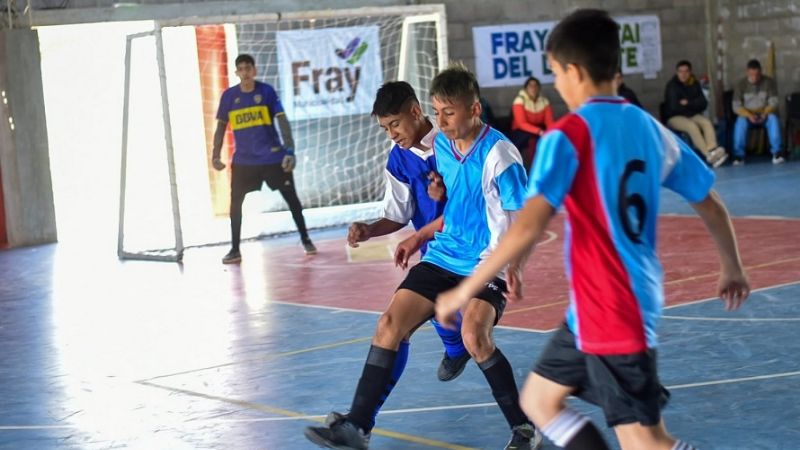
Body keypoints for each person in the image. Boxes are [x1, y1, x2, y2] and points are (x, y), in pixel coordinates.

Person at [436, 9, 750, 450]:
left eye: (555, 74)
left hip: (611, 309)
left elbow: (527, 225)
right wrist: (731, 267)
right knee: (540, 400)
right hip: (600, 307)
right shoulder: (649, 128)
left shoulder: (569, 135)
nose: (555, 84)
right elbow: (711, 204)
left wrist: (465, 288)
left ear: (575, 72)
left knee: (646, 442)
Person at [305, 64, 543, 450]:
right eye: (438, 112)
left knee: (474, 335)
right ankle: (357, 426)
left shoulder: (501, 155)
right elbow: (458, 210)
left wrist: (513, 266)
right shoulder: (445, 149)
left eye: (448, 113)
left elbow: (525, 220)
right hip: (445, 255)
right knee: (388, 324)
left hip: (488, 260)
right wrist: (418, 236)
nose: (442, 121)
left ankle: (525, 428)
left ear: (474, 109)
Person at [347, 81, 470, 389]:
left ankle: (523, 420)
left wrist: (447, 194)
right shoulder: (398, 159)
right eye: (385, 128)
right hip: (435, 253)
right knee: (416, 313)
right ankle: (457, 349)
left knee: (475, 329)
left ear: (416, 111)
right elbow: (398, 214)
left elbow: (478, 197)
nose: (392, 134)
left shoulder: (454, 141)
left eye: (395, 124)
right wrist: (371, 229)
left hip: (473, 247)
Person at [212, 54, 316, 264]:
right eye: (241, 69)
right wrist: (215, 154)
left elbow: (282, 120)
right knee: (235, 204)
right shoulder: (229, 96)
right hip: (244, 161)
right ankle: (234, 249)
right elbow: (221, 127)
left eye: (248, 68)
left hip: (272, 158)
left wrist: (289, 150)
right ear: (236, 73)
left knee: (292, 199)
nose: (245, 72)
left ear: (254, 70)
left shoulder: (266, 91)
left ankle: (305, 238)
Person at [664, 60, 727, 167]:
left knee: (706, 122)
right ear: (677, 72)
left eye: (686, 72)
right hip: (674, 117)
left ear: (690, 72)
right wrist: (693, 105)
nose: (683, 74)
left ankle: (712, 149)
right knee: (691, 126)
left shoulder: (694, 83)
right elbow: (674, 107)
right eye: (680, 72)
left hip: (691, 114)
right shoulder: (672, 86)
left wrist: (688, 103)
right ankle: (708, 155)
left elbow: (703, 103)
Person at [732, 59, 784, 165]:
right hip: (747, 115)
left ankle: (777, 153)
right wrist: (748, 115)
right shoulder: (740, 85)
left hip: (765, 113)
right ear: (747, 72)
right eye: (751, 74)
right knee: (740, 123)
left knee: (773, 120)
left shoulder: (769, 82)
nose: (754, 78)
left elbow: (774, 101)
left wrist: (765, 112)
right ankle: (739, 156)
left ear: (761, 72)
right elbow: (736, 106)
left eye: (757, 75)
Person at [509, 76, 555, 171]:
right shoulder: (519, 100)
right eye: (530, 86)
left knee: (549, 141)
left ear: (539, 88)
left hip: (538, 128)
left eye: (535, 86)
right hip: (521, 129)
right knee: (521, 144)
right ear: (526, 88)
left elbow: (549, 121)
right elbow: (521, 123)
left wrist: (551, 133)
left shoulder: (544, 101)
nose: (533, 88)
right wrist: (539, 131)